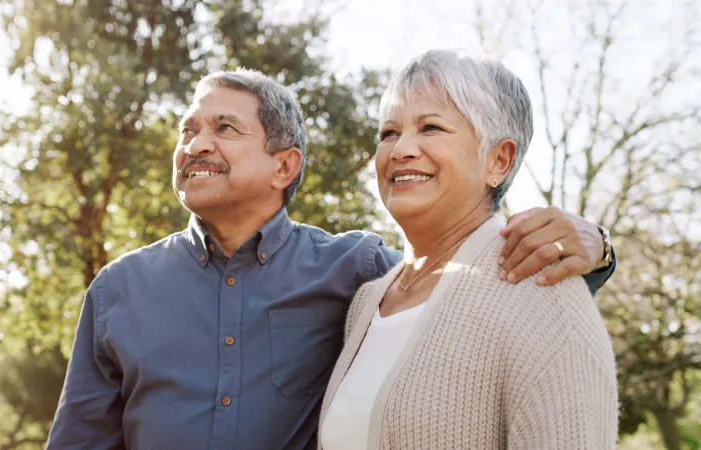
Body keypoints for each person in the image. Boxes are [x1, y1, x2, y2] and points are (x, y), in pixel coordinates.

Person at [46, 68, 616, 449]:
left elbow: (470, 293)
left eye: (224, 128)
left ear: (284, 166)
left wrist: (596, 247)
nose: (195, 145)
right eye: (188, 130)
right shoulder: (118, 290)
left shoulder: (360, 274)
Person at [319, 50, 618, 450]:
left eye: (431, 128)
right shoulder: (367, 301)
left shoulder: (544, 291)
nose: (400, 149)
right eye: (388, 133)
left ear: (499, 160)